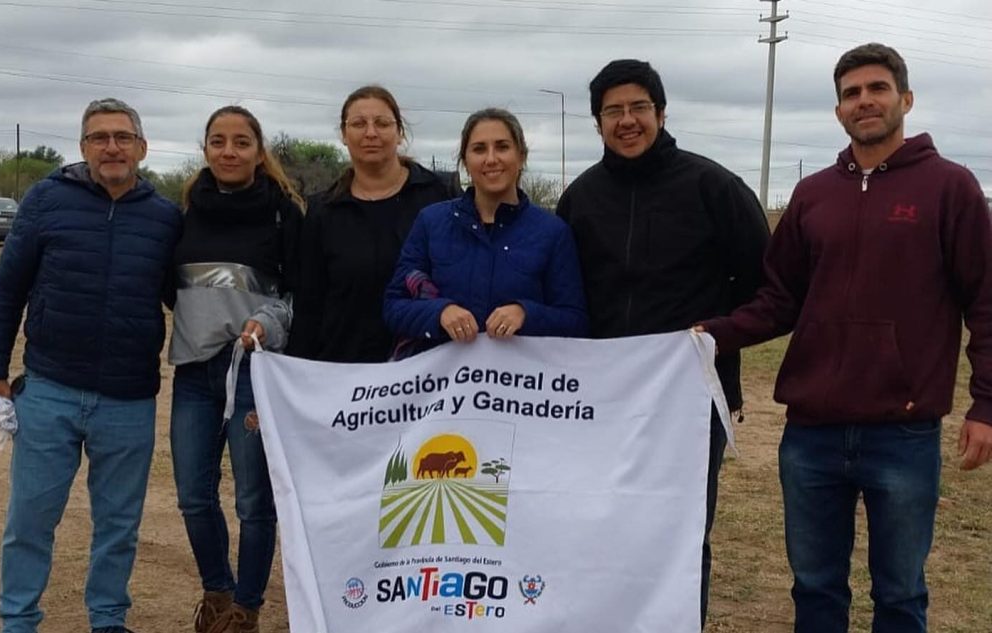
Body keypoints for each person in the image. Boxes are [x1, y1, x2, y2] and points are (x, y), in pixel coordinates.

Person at [700, 43, 992, 632]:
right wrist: (708, 336)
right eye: (852, 93)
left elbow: (985, 301)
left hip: (904, 433)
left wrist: (986, 402)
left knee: (902, 594)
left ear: (904, 99)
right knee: (814, 589)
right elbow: (779, 299)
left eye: (877, 88)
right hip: (811, 433)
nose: (865, 101)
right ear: (838, 111)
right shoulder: (812, 197)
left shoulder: (951, 188)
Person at [556, 59, 769, 627]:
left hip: (688, 401)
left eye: (639, 108)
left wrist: (720, 338)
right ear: (597, 122)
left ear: (661, 112)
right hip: (599, 400)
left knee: (679, 534)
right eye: (613, 111)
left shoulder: (714, 187)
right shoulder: (580, 198)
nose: (627, 121)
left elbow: (765, 291)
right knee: (601, 526)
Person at [0, 98, 181, 633]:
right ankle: (18, 620)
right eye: (98, 137)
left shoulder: (164, 218)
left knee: (119, 524)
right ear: (83, 146)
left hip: (129, 399)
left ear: (141, 146)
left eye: (121, 136)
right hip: (49, 390)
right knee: (30, 520)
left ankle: (108, 618)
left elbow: (185, 300)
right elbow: (6, 290)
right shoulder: (46, 200)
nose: (111, 146)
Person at [168, 105, 303, 633]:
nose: (229, 151)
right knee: (192, 494)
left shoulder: (283, 212)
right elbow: (169, 286)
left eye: (241, 142)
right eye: (218, 141)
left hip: (254, 371)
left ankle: (247, 610)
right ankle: (217, 596)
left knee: (253, 499)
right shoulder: (184, 211)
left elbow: (297, 293)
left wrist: (268, 321)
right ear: (205, 148)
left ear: (258, 150)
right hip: (194, 373)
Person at [383, 107, 587, 346]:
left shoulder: (553, 232)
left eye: (502, 147)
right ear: (465, 161)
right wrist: (439, 313)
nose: (491, 159)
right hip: (445, 381)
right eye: (479, 149)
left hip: (521, 380)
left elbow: (576, 322)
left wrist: (526, 314)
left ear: (521, 156)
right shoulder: (430, 222)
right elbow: (394, 307)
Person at [286, 85, 460, 363]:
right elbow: (309, 306)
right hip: (345, 372)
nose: (370, 133)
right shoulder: (322, 211)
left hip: (428, 374)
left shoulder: (440, 196)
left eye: (382, 123)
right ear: (343, 134)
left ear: (400, 132)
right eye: (358, 124)